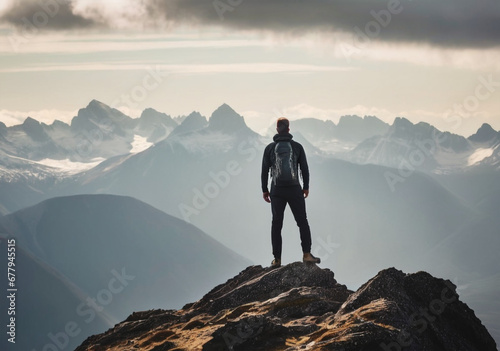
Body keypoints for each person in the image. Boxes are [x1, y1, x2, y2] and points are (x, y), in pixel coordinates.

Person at [261, 117, 321, 267]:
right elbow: (304, 169)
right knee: (302, 222)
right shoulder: (297, 147)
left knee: (276, 224)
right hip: (294, 190)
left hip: (277, 191)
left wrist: (265, 190)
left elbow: (264, 171)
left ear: (277, 129)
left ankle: (277, 260)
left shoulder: (269, 148)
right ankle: (307, 254)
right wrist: (305, 187)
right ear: (288, 129)